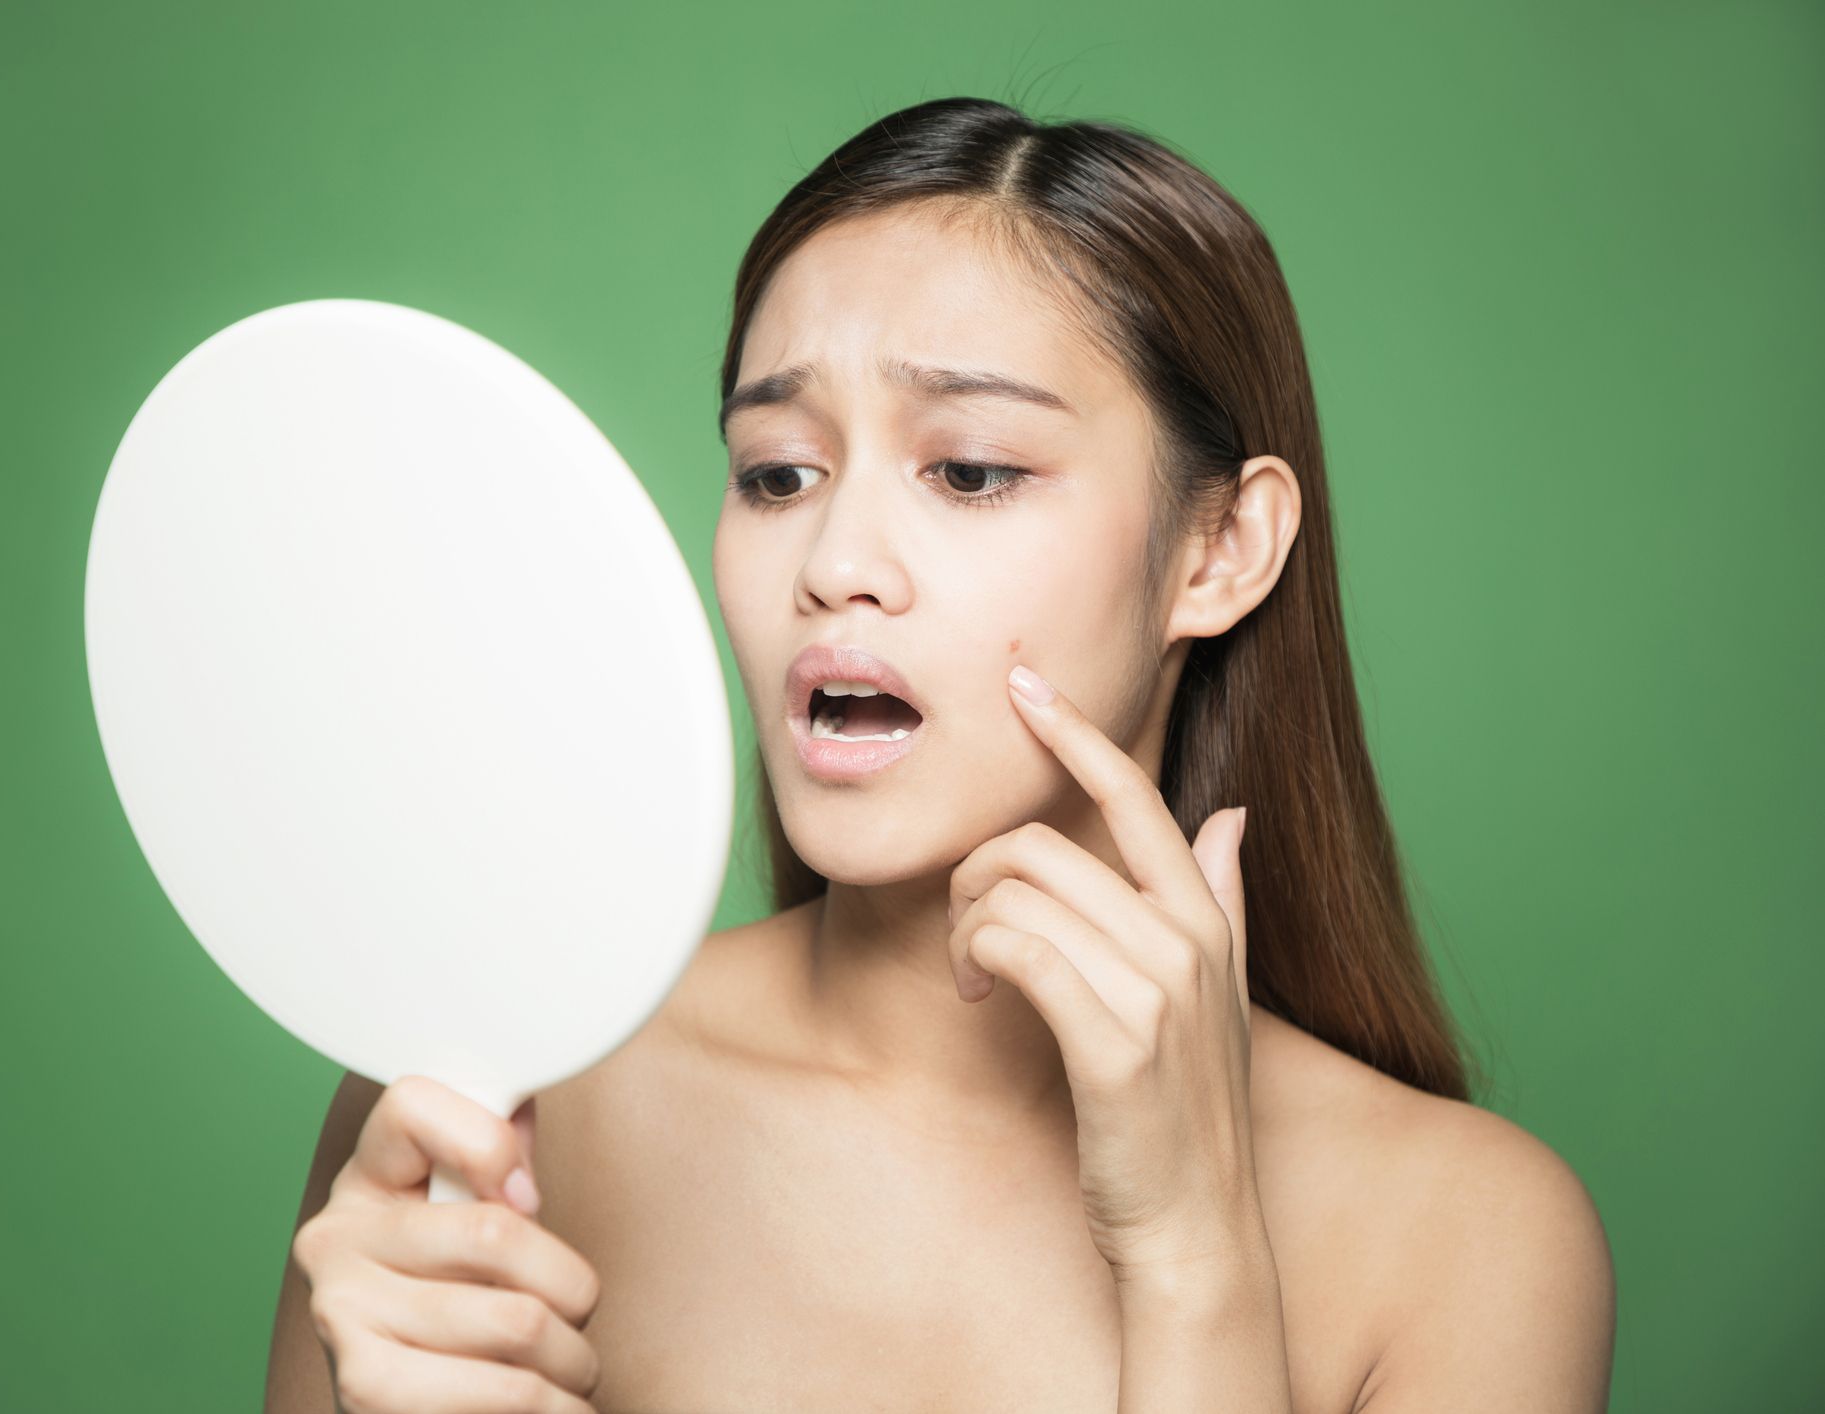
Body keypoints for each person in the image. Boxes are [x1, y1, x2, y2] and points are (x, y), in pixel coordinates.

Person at [263, 96, 1617, 1413]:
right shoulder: (490, 1105)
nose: (834, 562)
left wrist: (1194, 1258)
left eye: (968, 470)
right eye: (777, 474)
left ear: (1218, 550)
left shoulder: (1468, 1242)